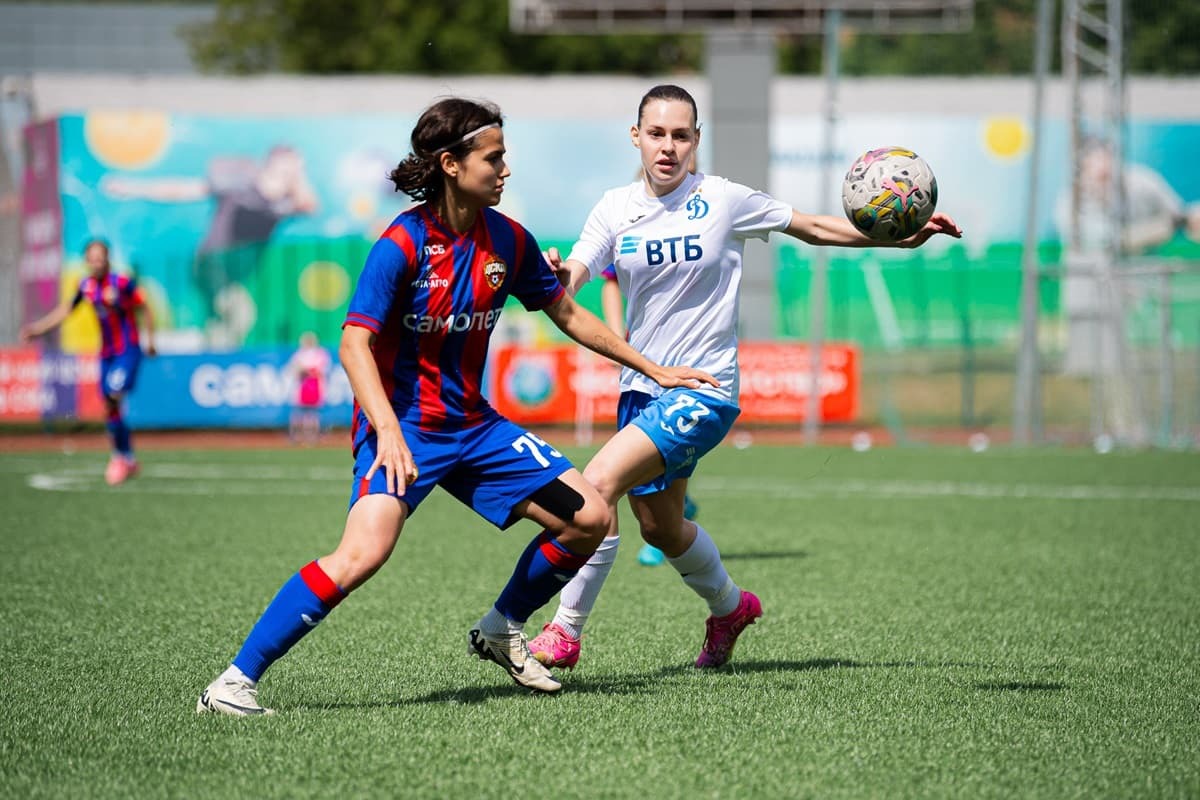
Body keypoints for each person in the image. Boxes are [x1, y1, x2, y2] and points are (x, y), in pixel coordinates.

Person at [196, 96, 716, 715]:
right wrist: (386, 431)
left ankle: (501, 627)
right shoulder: (402, 243)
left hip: (476, 428)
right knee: (363, 554)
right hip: (405, 429)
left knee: (589, 517)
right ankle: (232, 683)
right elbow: (354, 344)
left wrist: (653, 369)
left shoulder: (508, 240)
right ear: (450, 164)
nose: (505, 169)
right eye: (493, 158)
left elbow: (569, 313)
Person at [529, 84, 962, 671]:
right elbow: (578, 272)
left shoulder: (723, 199)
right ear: (636, 136)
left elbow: (810, 226)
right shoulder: (613, 208)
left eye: (680, 135)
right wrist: (559, 273)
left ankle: (564, 632)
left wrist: (896, 236)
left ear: (696, 141)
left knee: (596, 485)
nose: (668, 147)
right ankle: (730, 609)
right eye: (656, 133)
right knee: (660, 529)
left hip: (703, 391)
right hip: (641, 390)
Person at [103, 145, 319, 347]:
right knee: (241, 312)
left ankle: (199, 347)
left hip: (237, 273)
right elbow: (183, 190)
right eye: (286, 169)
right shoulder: (240, 184)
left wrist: (297, 176)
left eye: (296, 171)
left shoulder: (284, 202)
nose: (290, 176)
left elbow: (309, 206)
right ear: (271, 164)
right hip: (212, 262)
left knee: (221, 324)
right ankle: (209, 352)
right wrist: (133, 188)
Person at [20, 239, 156, 486]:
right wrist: (38, 329)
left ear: (108, 259)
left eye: (100, 257)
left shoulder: (122, 282)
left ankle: (120, 459)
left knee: (113, 395)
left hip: (128, 351)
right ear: (86, 261)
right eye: (92, 258)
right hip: (106, 354)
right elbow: (65, 310)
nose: (96, 263)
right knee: (109, 408)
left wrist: (150, 340)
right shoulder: (87, 286)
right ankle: (125, 458)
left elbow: (144, 305)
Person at [598, 262, 698, 567]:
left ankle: (671, 518)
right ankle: (671, 518)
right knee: (635, 453)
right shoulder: (631, 218)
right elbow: (611, 280)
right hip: (644, 360)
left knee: (675, 440)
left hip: (695, 358)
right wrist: (616, 339)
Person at [285, 331, 331, 445]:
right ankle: (296, 436)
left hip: (315, 386)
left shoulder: (320, 354)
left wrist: (309, 371)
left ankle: (312, 437)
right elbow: (293, 369)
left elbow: (323, 370)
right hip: (302, 386)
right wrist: (303, 370)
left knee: (312, 414)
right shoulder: (299, 354)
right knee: (298, 414)